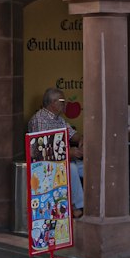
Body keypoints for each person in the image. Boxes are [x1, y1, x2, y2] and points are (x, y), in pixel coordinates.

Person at [27, 87, 84, 215]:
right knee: (72, 168)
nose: (65, 105)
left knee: (89, 167)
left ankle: (97, 204)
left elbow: (73, 135)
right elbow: (41, 150)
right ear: (52, 103)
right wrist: (69, 152)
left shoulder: (60, 119)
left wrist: (82, 140)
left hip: (62, 159)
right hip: (45, 163)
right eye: (62, 101)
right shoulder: (39, 119)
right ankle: (77, 207)